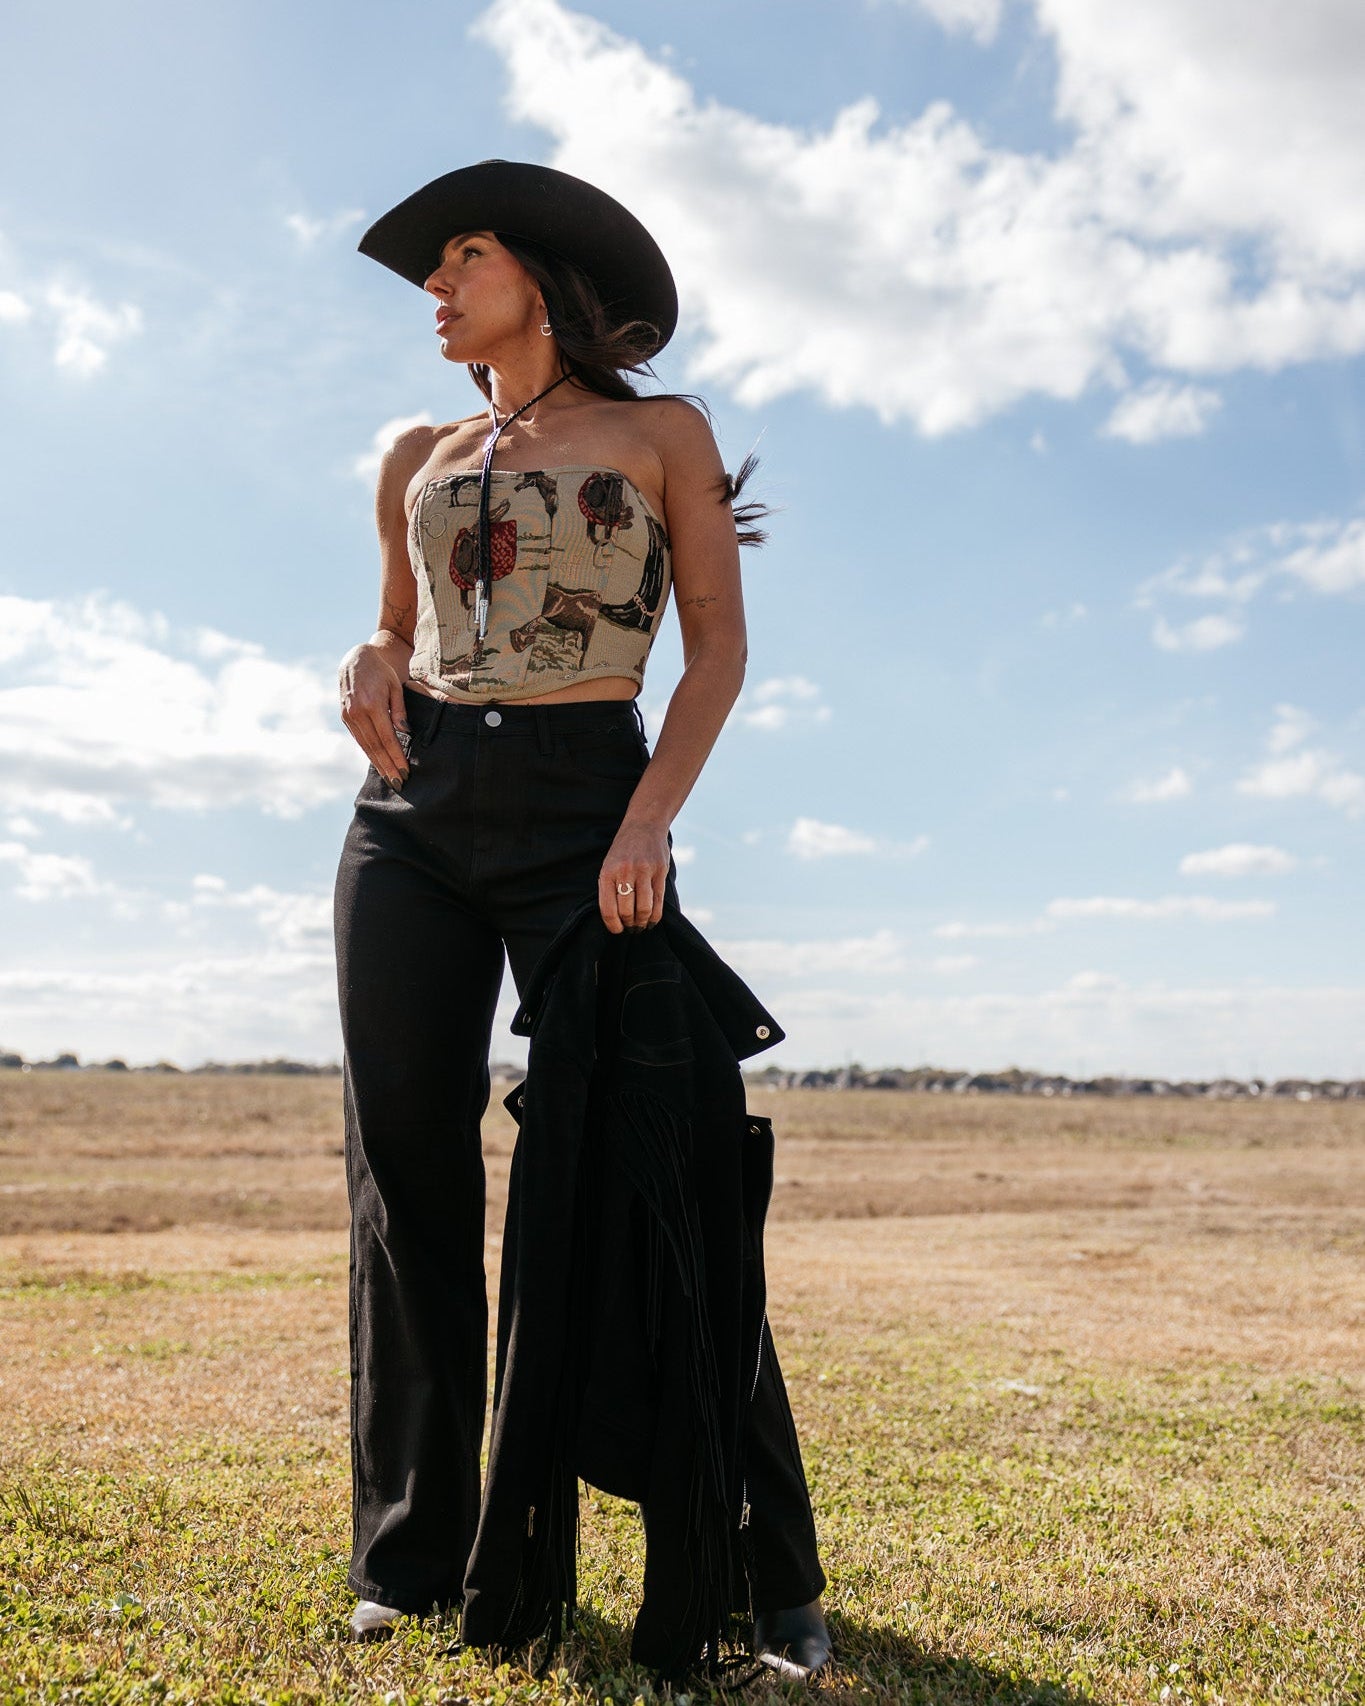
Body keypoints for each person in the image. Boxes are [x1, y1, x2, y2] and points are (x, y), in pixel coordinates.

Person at [332, 159, 831, 1679]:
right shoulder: (415, 448)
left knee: (655, 1165)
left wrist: (644, 819)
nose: (433, 289)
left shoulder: (654, 433)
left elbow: (715, 655)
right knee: (405, 1183)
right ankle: (412, 1559)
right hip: (410, 814)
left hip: (585, 803)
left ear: (534, 275)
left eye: (458, 261)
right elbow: (398, 622)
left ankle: (754, 1556)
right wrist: (365, 651)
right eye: (427, 273)